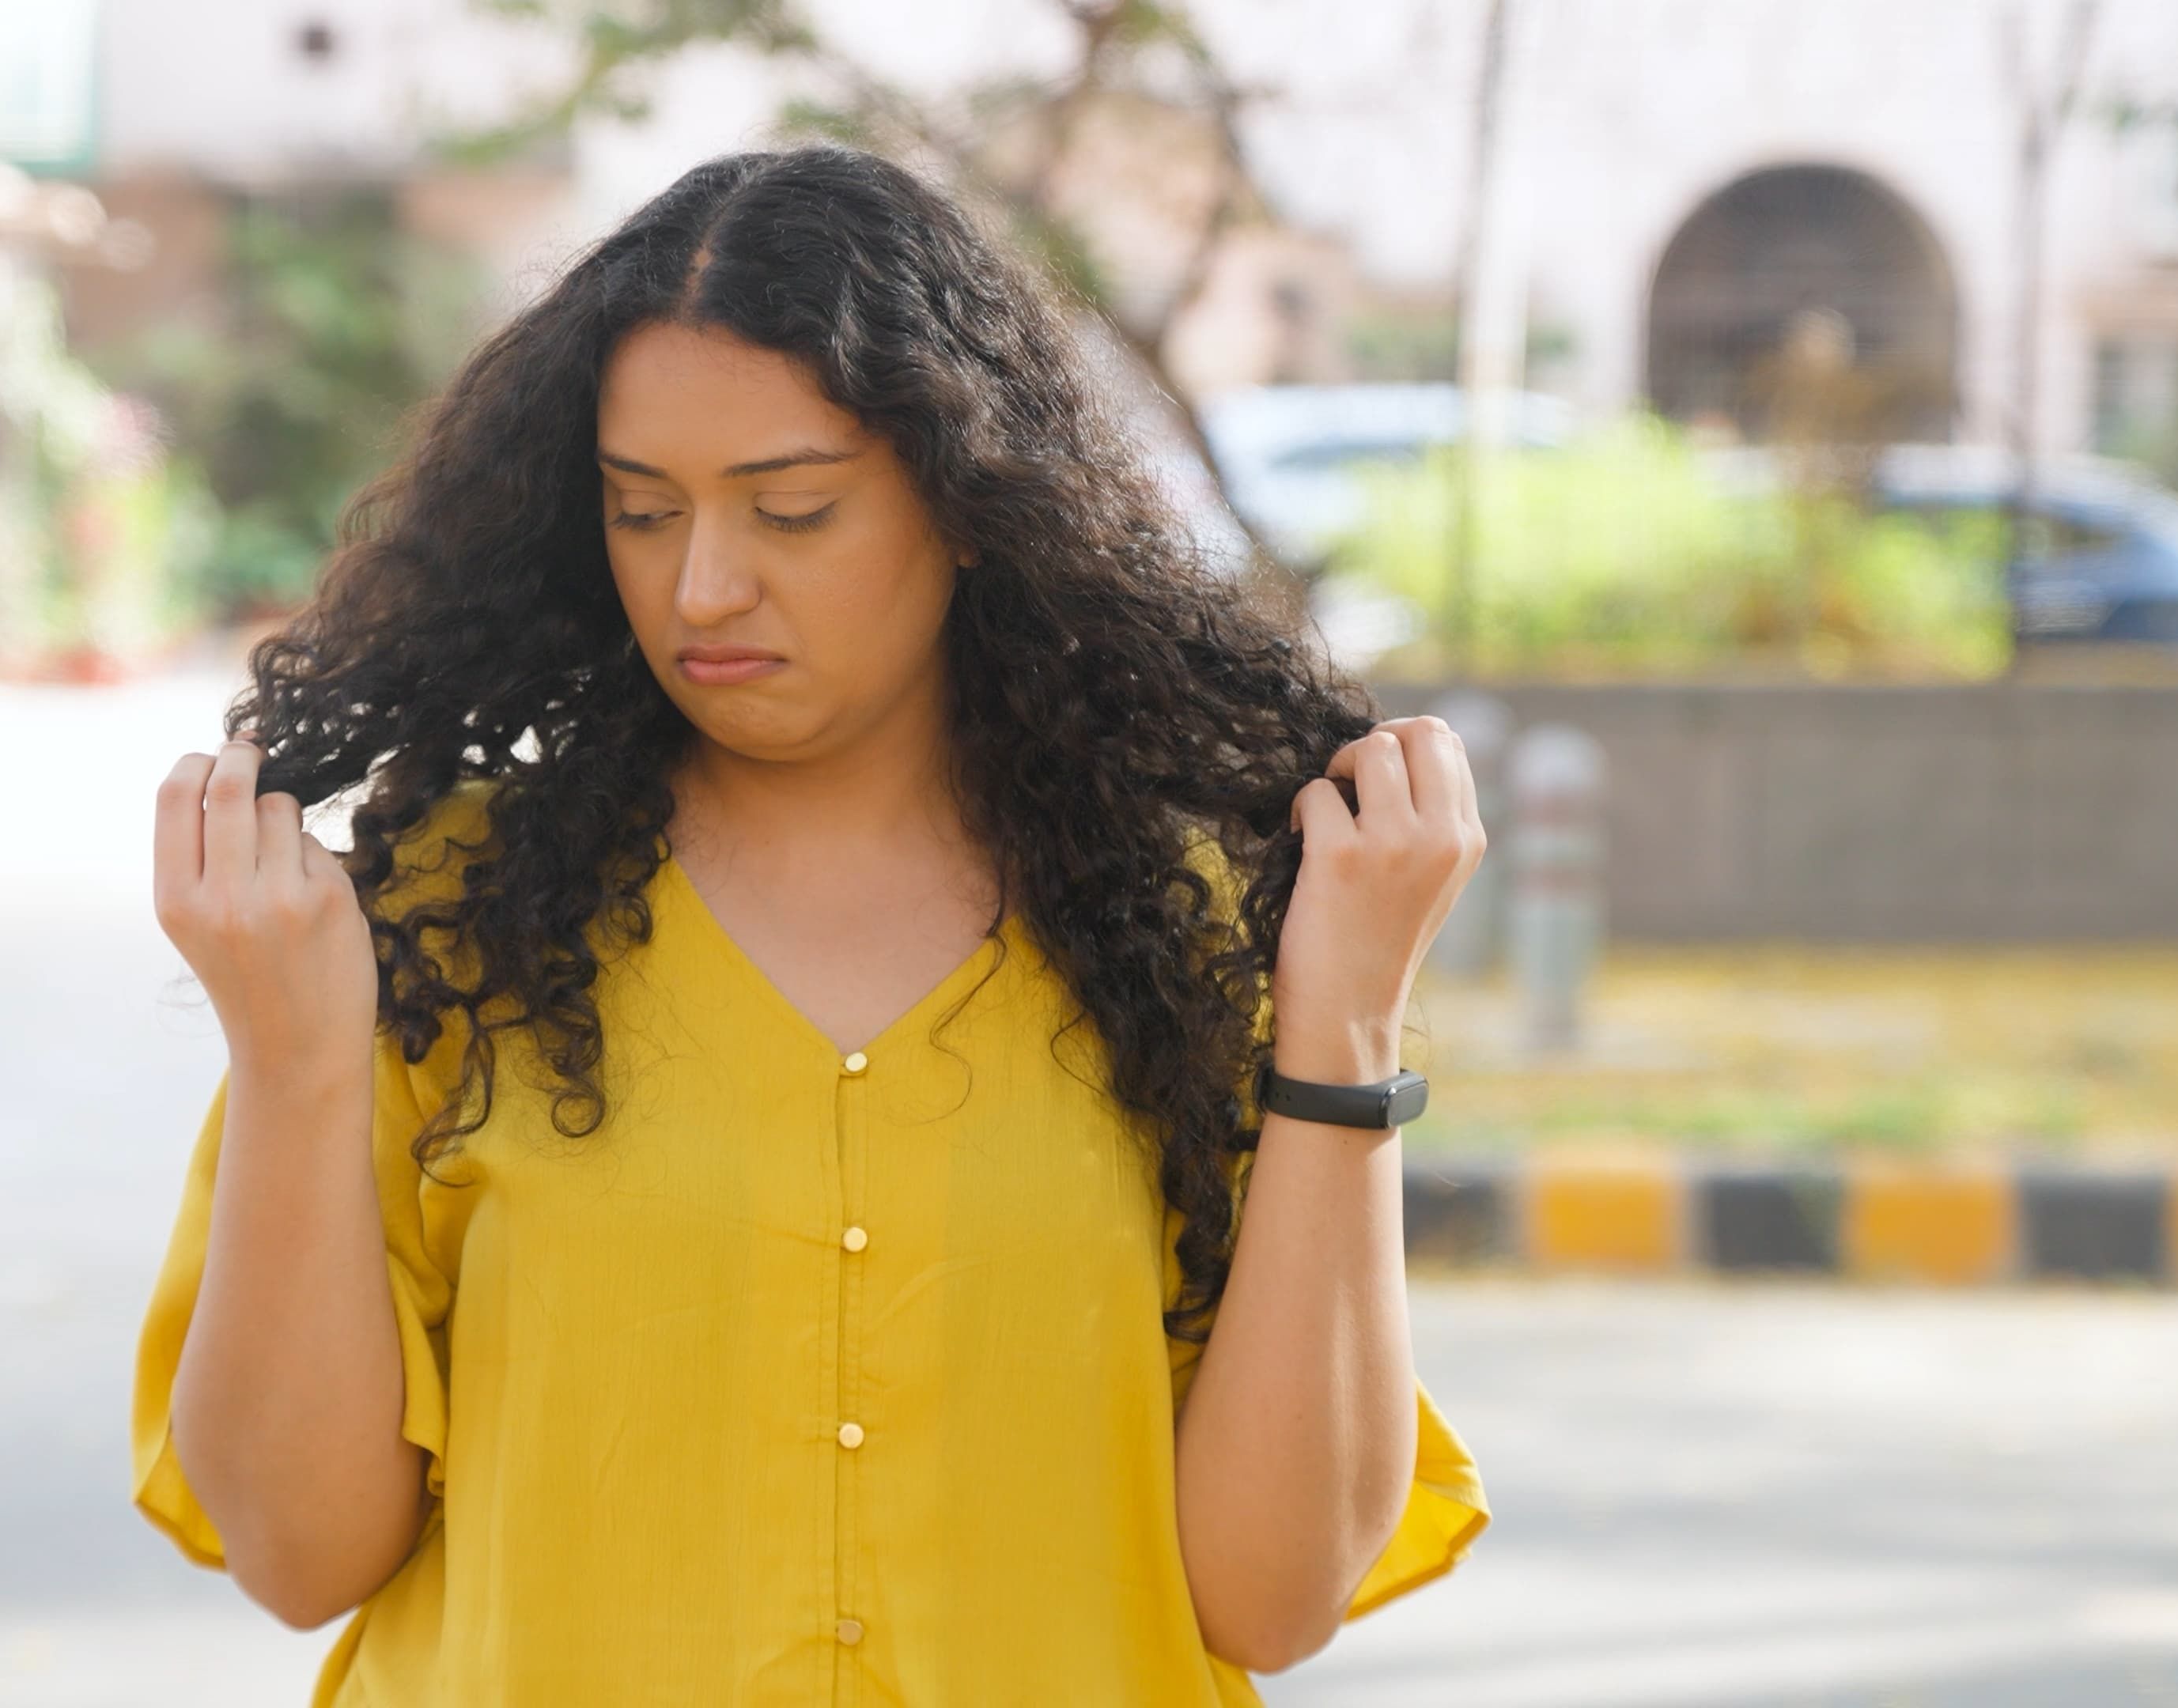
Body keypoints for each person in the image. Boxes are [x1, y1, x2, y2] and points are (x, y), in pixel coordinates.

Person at [131, 142, 1489, 1705]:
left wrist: (1348, 1029)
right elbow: (299, 1555)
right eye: (642, 514)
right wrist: (297, 1064)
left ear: (968, 503)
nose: (705, 586)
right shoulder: (443, 921)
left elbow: (1276, 1593)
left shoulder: (1181, 933)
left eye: (791, 511)